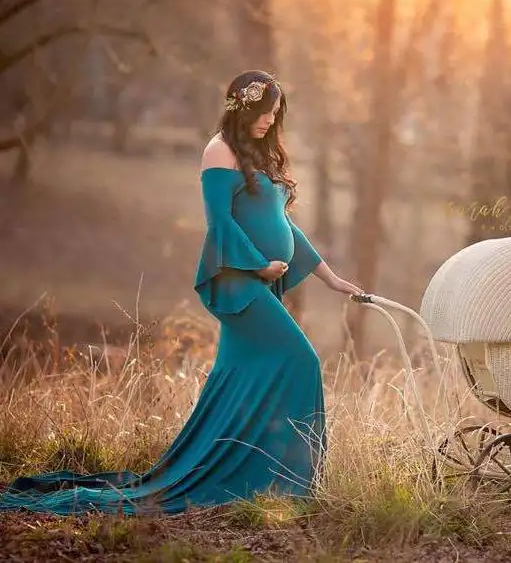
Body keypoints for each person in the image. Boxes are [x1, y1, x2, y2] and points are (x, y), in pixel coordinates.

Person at [0, 69, 363, 515]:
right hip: (238, 281)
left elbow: (283, 223)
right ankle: (289, 482)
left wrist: (330, 277)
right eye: (264, 113)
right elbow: (220, 224)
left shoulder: (260, 155)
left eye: (274, 114)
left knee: (240, 379)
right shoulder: (219, 151)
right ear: (242, 106)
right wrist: (258, 263)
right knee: (300, 359)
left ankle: (264, 477)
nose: (270, 121)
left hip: (259, 281)